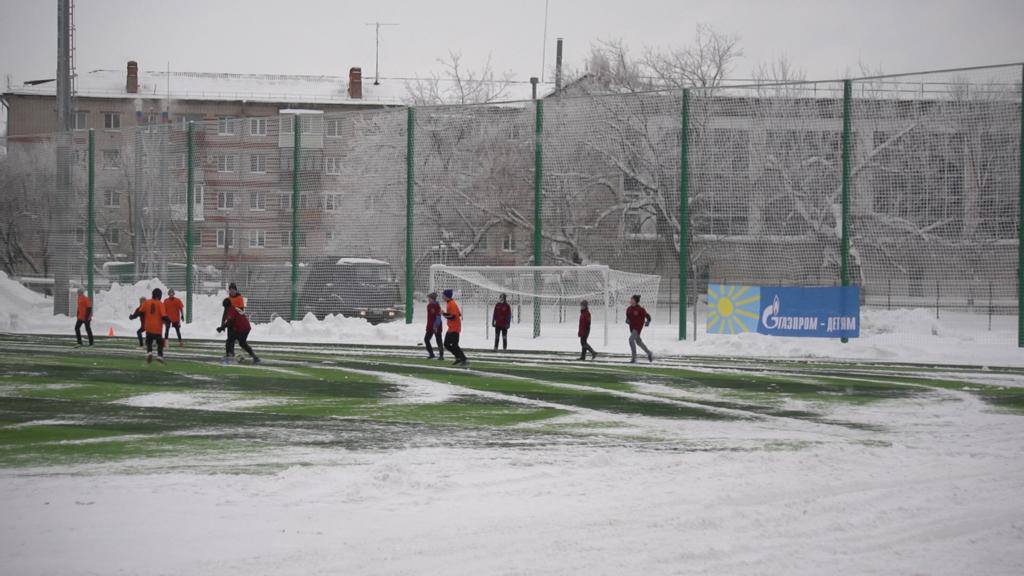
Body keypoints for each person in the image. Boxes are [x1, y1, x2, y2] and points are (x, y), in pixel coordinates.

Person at [218, 299, 260, 364]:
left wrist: (222, 327)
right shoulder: (234, 308)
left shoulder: (230, 309)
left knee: (230, 340)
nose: (225, 309)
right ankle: (254, 356)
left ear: (226, 306)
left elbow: (230, 321)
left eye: (224, 307)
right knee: (241, 343)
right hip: (246, 327)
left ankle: (229, 355)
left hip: (241, 328)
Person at [141, 288, 169, 364]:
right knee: (160, 343)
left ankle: (149, 352)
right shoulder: (160, 304)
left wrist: (134, 317)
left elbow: (141, 311)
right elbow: (163, 316)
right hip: (157, 328)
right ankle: (159, 356)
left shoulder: (146, 302)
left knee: (149, 341)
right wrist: (168, 320)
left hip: (148, 327)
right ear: (159, 295)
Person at [441, 289, 467, 366]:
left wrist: (443, 314)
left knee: (454, 345)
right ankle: (458, 358)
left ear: (447, 296)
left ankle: (463, 359)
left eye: (443, 295)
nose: (442, 296)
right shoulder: (450, 303)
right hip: (451, 327)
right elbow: (458, 314)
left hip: (455, 328)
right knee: (446, 344)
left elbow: (453, 316)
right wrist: (445, 314)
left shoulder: (451, 304)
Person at [625, 294, 653, 364]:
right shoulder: (628, 309)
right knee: (638, 342)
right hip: (632, 328)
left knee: (631, 340)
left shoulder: (640, 309)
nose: (631, 300)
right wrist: (627, 320)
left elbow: (648, 316)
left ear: (636, 301)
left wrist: (648, 321)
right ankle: (649, 353)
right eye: (631, 299)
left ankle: (634, 358)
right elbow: (628, 317)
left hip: (637, 328)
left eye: (632, 299)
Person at [221, 283, 246, 359]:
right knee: (229, 339)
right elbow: (225, 311)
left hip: (237, 322)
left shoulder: (239, 298)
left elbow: (241, 311)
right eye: (230, 290)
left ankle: (233, 353)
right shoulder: (228, 299)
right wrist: (223, 321)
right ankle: (229, 353)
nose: (232, 291)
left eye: (233, 290)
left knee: (233, 339)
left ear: (236, 290)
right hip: (230, 322)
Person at [424, 292, 444, 360]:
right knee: (426, 339)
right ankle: (431, 354)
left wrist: (435, 326)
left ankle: (441, 355)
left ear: (432, 299)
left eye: (429, 298)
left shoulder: (436, 306)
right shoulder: (429, 305)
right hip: (430, 326)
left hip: (436, 326)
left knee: (438, 340)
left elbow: (438, 316)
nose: (428, 299)